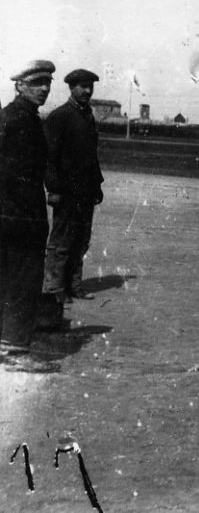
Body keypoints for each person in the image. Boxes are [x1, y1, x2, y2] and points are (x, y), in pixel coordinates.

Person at [0, 60, 59, 372]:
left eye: (47, 82)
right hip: (21, 217)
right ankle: (16, 350)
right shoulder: (23, 121)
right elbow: (17, 174)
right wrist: (29, 219)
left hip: (8, 215)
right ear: (19, 84)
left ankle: (7, 343)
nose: (45, 88)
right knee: (23, 282)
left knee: (7, 280)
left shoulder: (10, 115)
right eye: (37, 82)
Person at [41, 68, 104, 327]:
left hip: (86, 191)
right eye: (82, 87)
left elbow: (91, 155)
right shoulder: (60, 116)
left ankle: (74, 286)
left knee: (81, 239)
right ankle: (55, 289)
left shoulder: (87, 116)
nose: (87, 91)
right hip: (66, 192)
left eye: (90, 86)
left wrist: (97, 184)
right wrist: (53, 189)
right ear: (71, 88)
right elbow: (49, 157)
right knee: (62, 240)